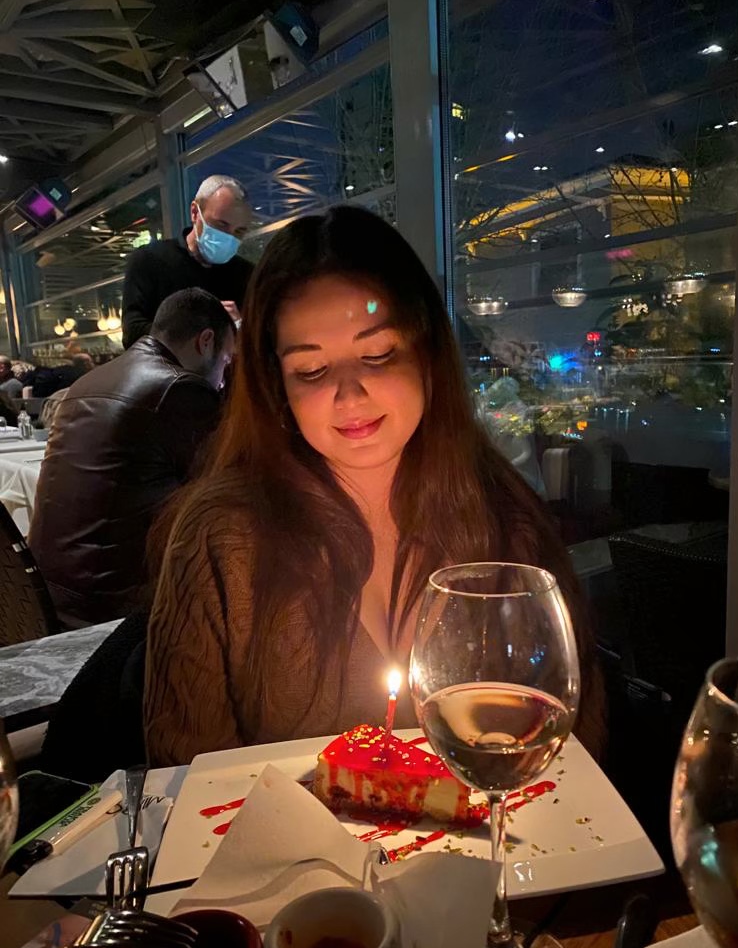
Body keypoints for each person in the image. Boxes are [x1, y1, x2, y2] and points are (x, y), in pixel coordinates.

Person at [144, 206, 606, 767]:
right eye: (311, 371)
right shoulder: (223, 538)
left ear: (427, 352)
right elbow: (190, 774)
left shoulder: (506, 519)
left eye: (378, 354)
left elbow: (577, 748)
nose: (349, 395)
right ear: (277, 385)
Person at [29, 288, 236, 629]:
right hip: (112, 613)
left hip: (45, 599)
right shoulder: (178, 388)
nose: (222, 382)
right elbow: (227, 488)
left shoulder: (86, 383)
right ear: (206, 341)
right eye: (226, 362)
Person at [121, 175, 253, 349]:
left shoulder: (247, 275)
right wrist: (189, 327)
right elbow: (132, 333)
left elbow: (260, 342)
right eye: (221, 225)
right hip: (164, 366)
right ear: (195, 212)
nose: (229, 237)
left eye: (239, 231)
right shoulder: (150, 260)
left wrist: (239, 328)